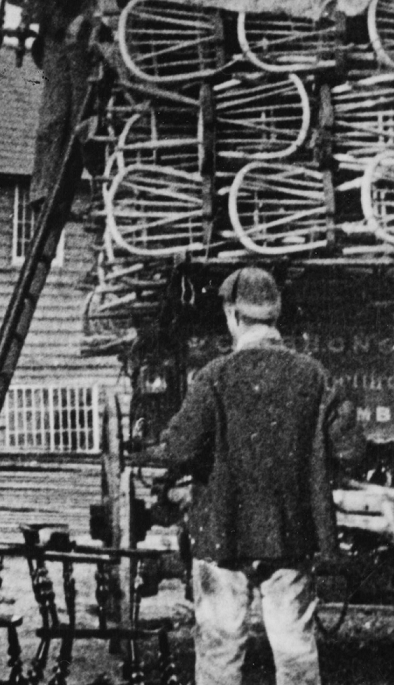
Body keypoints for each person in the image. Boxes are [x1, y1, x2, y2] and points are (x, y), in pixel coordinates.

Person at [152, 268, 362, 685]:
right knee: (295, 652)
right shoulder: (315, 376)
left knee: (220, 653)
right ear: (276, 316)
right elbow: (351, 450)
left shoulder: (213, 377)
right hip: (291, 536)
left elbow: (177, 450)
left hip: (221, 537)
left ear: (233, 315)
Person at [29, 0, 99, 210]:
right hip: (58, 43)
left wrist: (84, 18)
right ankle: (42, 186)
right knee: (52, 118)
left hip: (82, 46)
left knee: (80, 118)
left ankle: (86, 179)